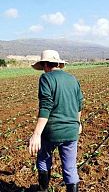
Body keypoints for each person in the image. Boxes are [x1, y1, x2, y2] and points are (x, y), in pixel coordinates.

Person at [29, 50, 83, 192]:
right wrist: (78, 123)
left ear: (45, 65)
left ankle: (43, 189)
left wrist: (36, 134)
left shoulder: (46, 78)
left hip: (52, 131)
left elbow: (46, 106)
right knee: (70, 168)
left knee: (43, 160)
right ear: (58, 64)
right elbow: (79, 105)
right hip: (71, 131)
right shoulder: (73, 79)